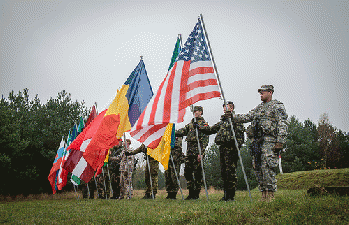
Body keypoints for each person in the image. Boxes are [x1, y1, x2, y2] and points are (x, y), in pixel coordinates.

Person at [231, 85, 288, 201]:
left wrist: (280, 141)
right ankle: (263, 193)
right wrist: (232, 116)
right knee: (258, 167)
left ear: (270, 92)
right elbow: (247, 116)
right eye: (260, 92)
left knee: (267, 166)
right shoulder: (259, 108)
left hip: (270, 141)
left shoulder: (277, 106)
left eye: (263, 92)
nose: (261, 94)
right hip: (257, 142)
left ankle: (270, 194)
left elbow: (283, 123)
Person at [197, 101, 245, 201]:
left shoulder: (236, 120)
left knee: (230, 172)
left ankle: (231, 196)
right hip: (223, 148)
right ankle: (226, 195)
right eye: (223, 107)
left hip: (231, 149)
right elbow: (211, 130)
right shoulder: (222, 121)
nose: (224, 108)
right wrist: (200, 127)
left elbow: (240, 136)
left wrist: (237, 147)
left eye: (226, 107)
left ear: (231, 108)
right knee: (224, 173)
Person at [175, 106, 210, 200]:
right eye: (195, 111)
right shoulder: (190, 124)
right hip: (189, 152)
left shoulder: (204, 124)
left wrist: (201, 153)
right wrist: (171, 132)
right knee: (188, 172)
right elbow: (182, 131)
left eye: (198, 111)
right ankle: (191, 193)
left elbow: (206, 139)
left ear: (201, 112)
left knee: (198, 173)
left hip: (197, 152)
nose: (196, 112)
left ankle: (196, 194)